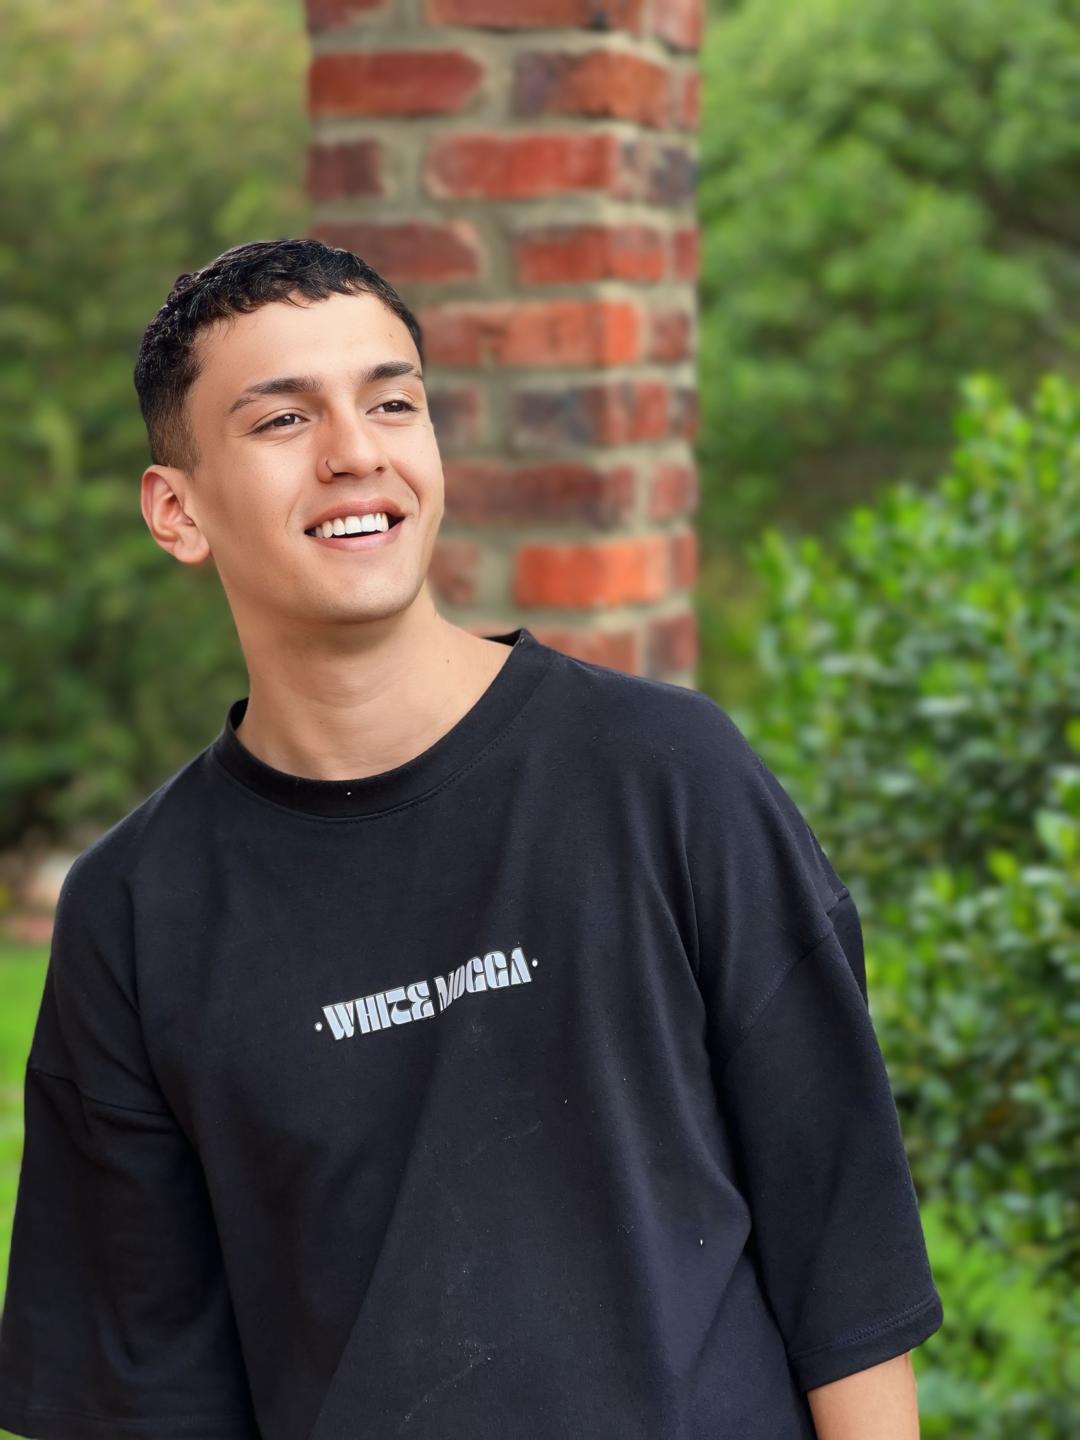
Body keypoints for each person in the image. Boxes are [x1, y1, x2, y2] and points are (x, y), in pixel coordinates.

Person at [0, 238, 943, 1440]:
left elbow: (847, 1264)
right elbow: (144, 1401)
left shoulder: (667, 775)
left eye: (392, 402)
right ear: (177, 511)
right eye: (283, 419)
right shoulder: (137, 911)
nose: (356, 451)